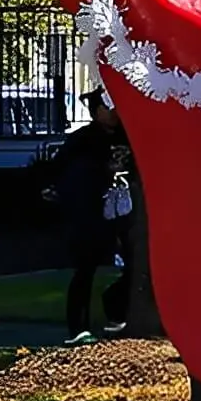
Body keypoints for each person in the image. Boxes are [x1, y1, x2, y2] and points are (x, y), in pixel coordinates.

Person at [42, 90, 134, 344]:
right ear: (95, 111)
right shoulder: (82, 140)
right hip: (91, 213)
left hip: (124, 212)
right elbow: (59, 171)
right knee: (85, 268)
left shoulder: (128, 135)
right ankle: (78, 328)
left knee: (135, 261)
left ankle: (115, 306)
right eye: (107, 107)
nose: (113, 113)